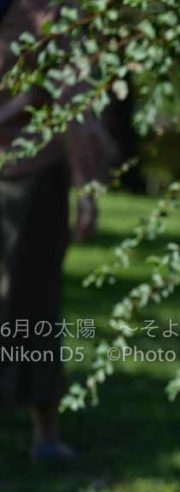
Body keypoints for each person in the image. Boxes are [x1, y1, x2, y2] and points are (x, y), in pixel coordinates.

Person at [0, 0, 109, 461]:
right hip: (27, 172)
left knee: (31, 305)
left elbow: (73, 94)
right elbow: (75, 96)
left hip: (28, 172)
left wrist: (86, 184)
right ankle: (44, 433)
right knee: (31, 306)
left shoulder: (45, 11)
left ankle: (44, 430)